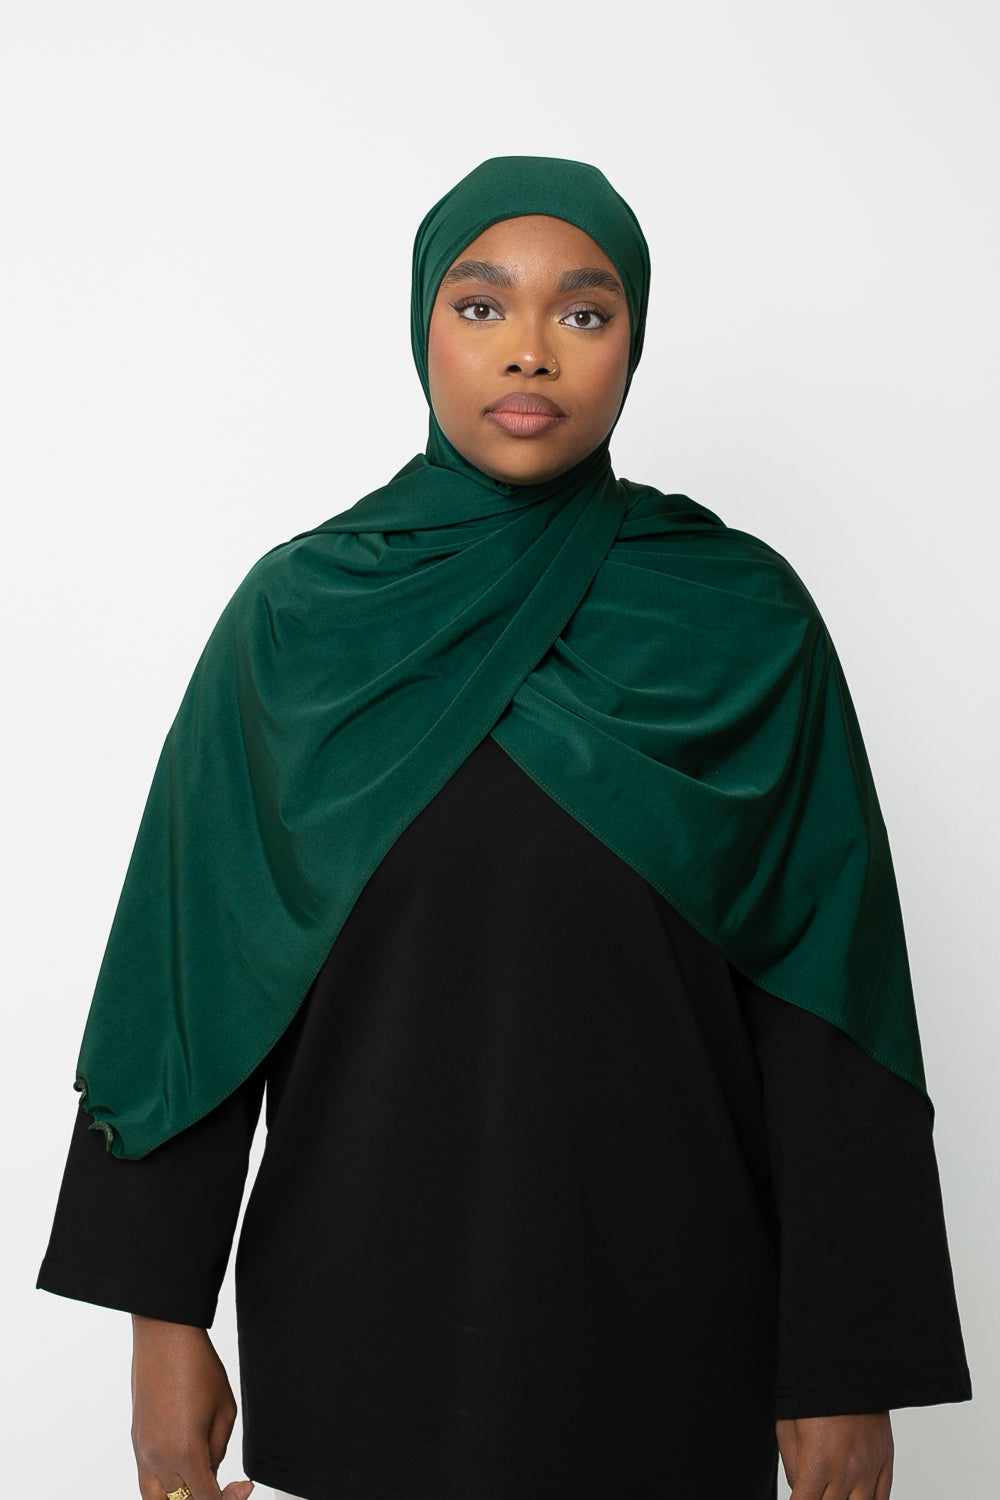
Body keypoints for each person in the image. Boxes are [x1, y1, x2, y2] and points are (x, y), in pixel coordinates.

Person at [37, 156, 972, 1500]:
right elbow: (188, 985)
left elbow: (833, 1010)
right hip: (358, 1332)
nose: (530, 349)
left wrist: (844, 1365)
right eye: (481, 306)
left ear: (633, 341)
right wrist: (161, 1324)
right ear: (422, 325)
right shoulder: (298, 624)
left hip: (676, 1333)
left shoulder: (741, 624)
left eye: (584, 313)